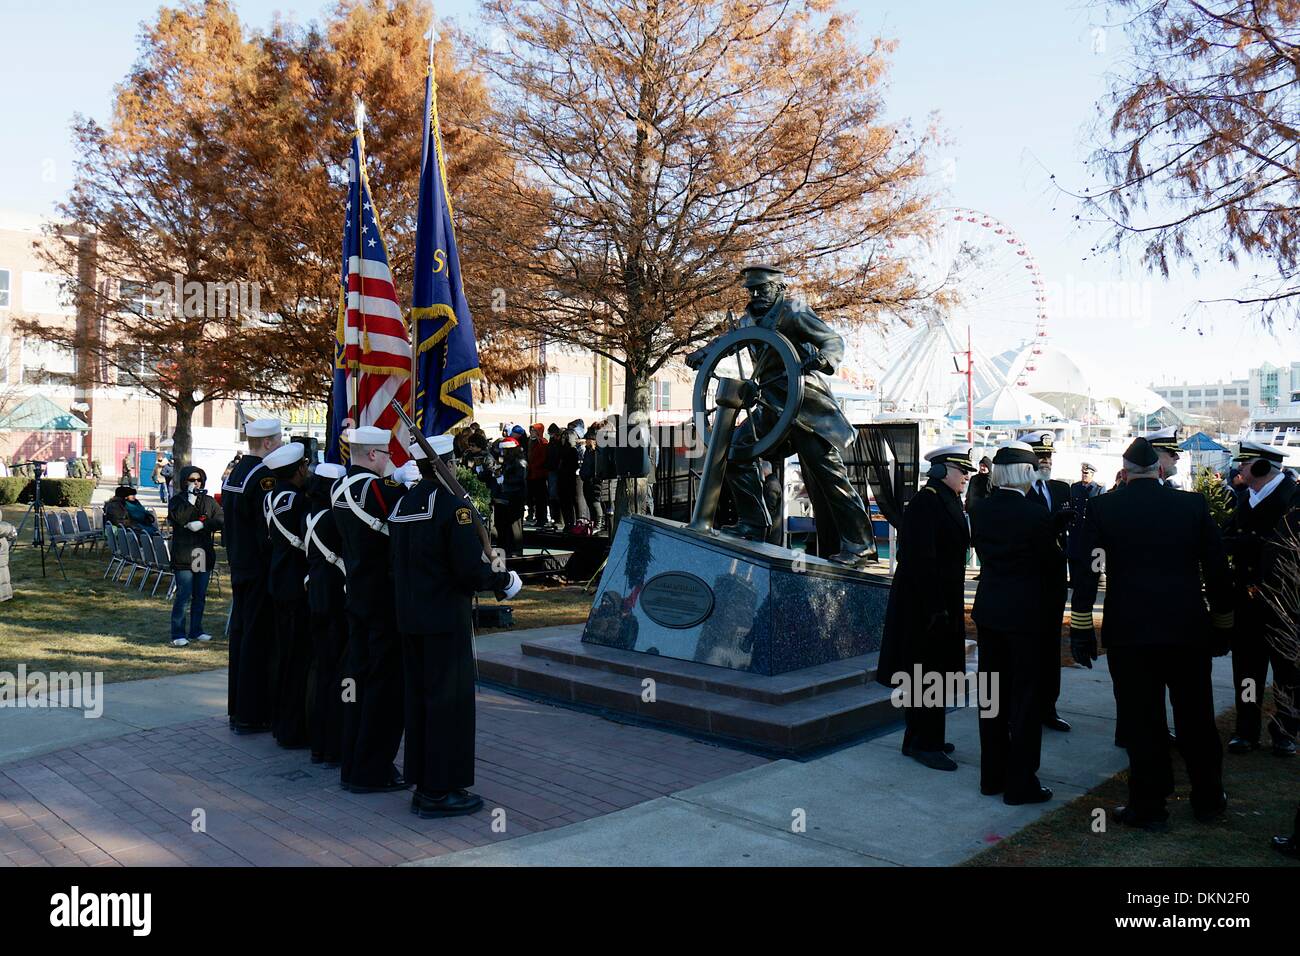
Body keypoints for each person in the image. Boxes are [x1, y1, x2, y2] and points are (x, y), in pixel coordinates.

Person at [1069, 437, 1235, 828]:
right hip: (1186, 628)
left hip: (1131, 631)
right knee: (1196, 718)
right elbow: (1217, 571)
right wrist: (1223, 623)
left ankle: (1149, 806)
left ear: (1124, 473)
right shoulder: (1191, 505)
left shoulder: (1103, 507)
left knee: (1143, 722)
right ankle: (1208, 800)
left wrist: (1080, 627)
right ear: (1160, 471)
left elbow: (1088, 571)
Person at [685, 263, 874, 566]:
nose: (756, 294)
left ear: (779, 288)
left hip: (806, 407)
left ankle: (860, 544)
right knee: (733, 452)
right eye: (751, 289)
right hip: (771, 409)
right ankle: (754, 523)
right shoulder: (748, 320)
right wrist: (703, 354)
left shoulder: (794, 311)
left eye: (762, 288)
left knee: (831, 478)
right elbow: (725, 343)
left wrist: (823, 359)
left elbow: (832, 340)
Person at [390, 436, 522, 818]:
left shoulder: (404, 504)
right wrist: (502, 581)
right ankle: (440, 790)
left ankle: (424, 783)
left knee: (421, 703)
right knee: (449, 706)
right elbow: (467, 569)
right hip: (445, 622)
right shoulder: (453, 508)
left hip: (411, 620)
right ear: (445, 463)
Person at [969, 440, 1064, 805]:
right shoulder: (1035, 513)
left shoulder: (980, 510)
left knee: (991, 695)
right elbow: (1050, 565)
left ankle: (992, 775)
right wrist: (1053, 533)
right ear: (1026, 473)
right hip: (1026, 615)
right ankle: (1020, 781)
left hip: (991, 610)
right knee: (1024, 699)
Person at [877, 445, 977, 771]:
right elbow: (921, 560)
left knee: (931, 674)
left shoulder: (944, 500)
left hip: (937, 602)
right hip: (925, 606)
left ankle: (918, 738)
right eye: (961, 469)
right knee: (928, 675)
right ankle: (926, 743)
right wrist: (936, 608)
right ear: (940, 470)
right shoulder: (927, 502)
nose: (966, 476)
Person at [331, 425, 409, 793]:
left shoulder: (338, 486)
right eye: (388, 455)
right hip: (383, 600)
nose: (391, 461)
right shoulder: (378, 489)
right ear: (374, 455)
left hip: (356, 595)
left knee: (356, 683)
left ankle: (353, 762)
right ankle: (373, 769)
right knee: (384, 686)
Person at [1223, 440, 1300, 757]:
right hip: (1247, 603)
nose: (1239, 468)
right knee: (1247, 671)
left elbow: (1281, 548)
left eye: (1245, 462)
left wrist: (1243, 543)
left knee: (1288, 675)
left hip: (1285, 604)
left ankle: (1285, 732)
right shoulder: (1243, 499)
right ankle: (1246, 729)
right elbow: (1228, 538)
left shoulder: (1293, 499)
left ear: (1261, 467)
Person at [222, 418, 284, 735]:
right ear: (269, 443)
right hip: (258, 569)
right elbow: (267, 530)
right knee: (256, 640)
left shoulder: (236, 471)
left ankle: (237, 709)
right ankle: (251, 712)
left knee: (242, 635)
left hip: (239, 565)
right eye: (280, 440)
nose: (283, 445)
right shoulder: (263, 477)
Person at [262, 442, 313, 750]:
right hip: (297, 585)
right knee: (298, 658)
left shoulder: (271, 498)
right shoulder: (297, 501)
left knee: (283, 656)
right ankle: (294, 728)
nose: (307, 471)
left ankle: (282, 723)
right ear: (297, 471)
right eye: (304, 467)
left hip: (278, 582)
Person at [1024, 430, 1072, 733]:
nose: (1046, 460)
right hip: (1027, 581)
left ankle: (1048, 707)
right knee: (1027, 648)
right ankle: (1025, 709)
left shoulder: (1060, 489)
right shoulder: (1016, 491)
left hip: (1054, 580)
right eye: (1040, 455)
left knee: (1050, 647)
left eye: (1049, 455)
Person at [303, 462, 348, 767]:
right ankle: (334, 744)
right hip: (335, 593)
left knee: (319, 669)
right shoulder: (333, 518)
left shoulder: (308, 513)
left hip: (314, 591)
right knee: (336, 672)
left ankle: (318, 741)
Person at [167, 466, 222, 648]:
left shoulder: (208, 501)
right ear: (184, 482)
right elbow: (178, 518)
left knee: (199, 595)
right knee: (184, 595)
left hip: (201, 553)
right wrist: (190, 501)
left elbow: (220, 519)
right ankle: (178, 632)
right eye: (191, 480)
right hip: (183, 554)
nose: (195, 483)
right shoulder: (177, 500)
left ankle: (196, 629)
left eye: (198, 479)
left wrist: (203, 525)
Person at [492, 437, 528, 557]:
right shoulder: (508, 461)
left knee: (515, 525)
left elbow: (520, 479)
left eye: (505, 450)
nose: (503, 453)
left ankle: (516, 550)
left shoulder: (520, 462)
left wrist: (504, 479)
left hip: (516, 496)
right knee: (505, 524)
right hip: (506, 496)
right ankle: (506, 547)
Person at [526, 423, 549, 526]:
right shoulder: (531, 441)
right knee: (534, 498)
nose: (532, 432)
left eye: (534, 431)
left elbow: (543, 458)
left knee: (540, 499)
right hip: (532, 473)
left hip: (539, 474)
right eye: (531, 431)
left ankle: (542, 518)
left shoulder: (543, 442)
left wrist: (533, 465)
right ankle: (537, 517)